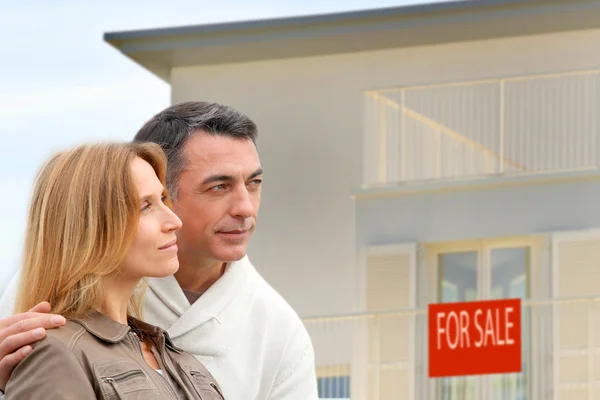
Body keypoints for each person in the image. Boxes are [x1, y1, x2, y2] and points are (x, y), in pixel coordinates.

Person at [0, 101, 318, 399]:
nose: (245, 209)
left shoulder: (278, 333)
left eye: (253, 183)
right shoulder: (43, 320)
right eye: (219, 186)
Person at [4, 142, 225, 399]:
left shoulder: (181, 362)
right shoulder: (56, 353)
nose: (174, 222)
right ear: (92, 227)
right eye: (145, 206)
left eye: (163, 199)